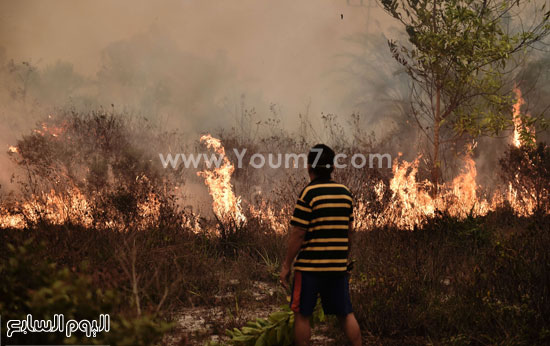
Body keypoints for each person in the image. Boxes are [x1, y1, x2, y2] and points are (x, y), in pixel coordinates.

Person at [280, 144, 362, 346]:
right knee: (345, 314)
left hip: (309, 268)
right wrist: (344, 259)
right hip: (336, 267)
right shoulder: (345, 193)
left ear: (309, 167)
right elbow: (349, 232)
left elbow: (298, 234)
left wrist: (286, 265)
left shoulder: (309, 194)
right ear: (332, 167)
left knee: (302, 314)